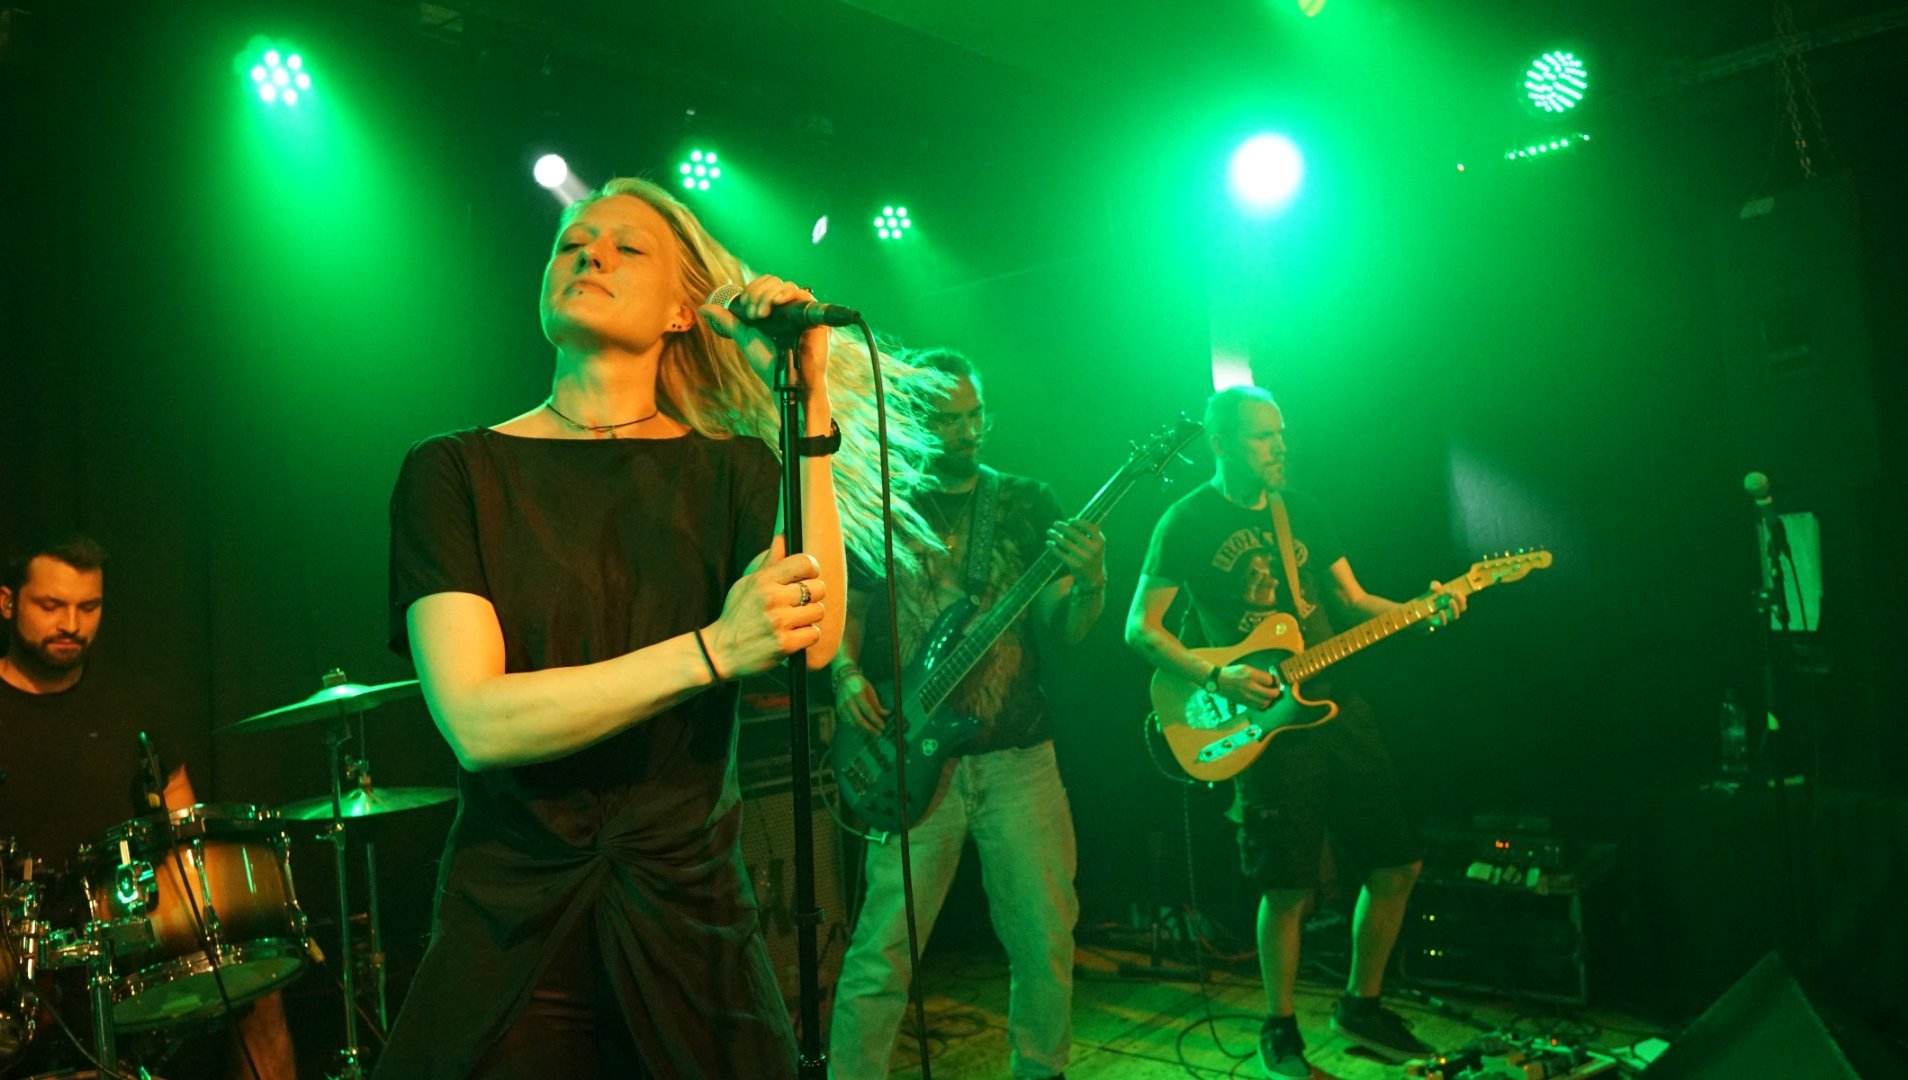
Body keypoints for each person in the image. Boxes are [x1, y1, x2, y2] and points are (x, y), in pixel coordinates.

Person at [380, 176, 940, 1078]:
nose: (590, 254)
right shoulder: (453, 473)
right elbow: (479, 723)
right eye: (572, 244)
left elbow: (816, 637)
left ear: (684, 310)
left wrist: (809, 407)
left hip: (692, 912)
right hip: (509, 921)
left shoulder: (734, 472)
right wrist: (713, 651)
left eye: (625, 247)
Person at [1124, 386, 1464, 1077]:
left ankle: (1361, 1006)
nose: (1279, 446)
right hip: (1263, 721)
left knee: (1397, 864)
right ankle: (1278, 1026)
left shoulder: (1302, 510)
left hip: (1338, 707)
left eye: (1280, 433)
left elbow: (1351, 599)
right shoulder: (1186, 521)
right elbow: (1141, 628)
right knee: (1287, 888)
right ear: (1221, 443)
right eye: (1262, 436)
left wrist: (1419, 609)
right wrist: (1217, 677)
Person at [827, 349, 1106, 1080]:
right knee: (882, 949)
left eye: (976, 414)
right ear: (916, 424)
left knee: (1045, 937)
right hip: (909, 755)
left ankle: (1041, 1068)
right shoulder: (881, 503)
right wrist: (844, 676)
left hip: (1019, 758)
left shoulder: (1027, 502)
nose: (969, 430)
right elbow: (847, 613)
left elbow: (1064, 627)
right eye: (950, 419)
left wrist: (1092, 580)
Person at [0, 528, 295, 1080]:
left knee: (256, 979)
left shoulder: (132, 702)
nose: (71, 624)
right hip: (22, 943)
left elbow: (181, 823)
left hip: (124, 931)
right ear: (7, 602)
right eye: (51, 606)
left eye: (89, 607)